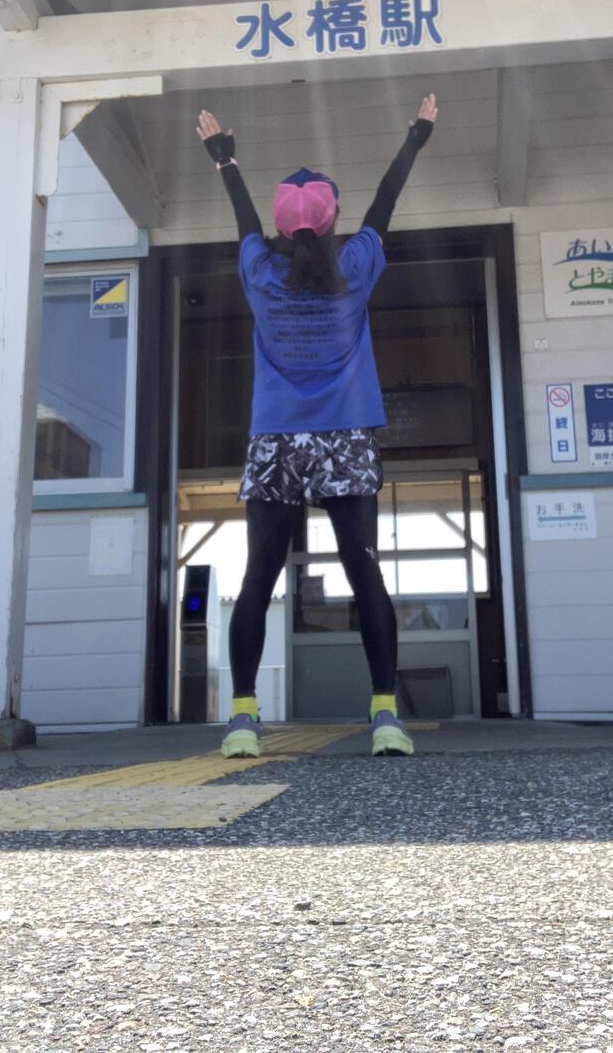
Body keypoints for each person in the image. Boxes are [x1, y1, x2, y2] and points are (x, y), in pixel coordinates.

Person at [195, 93, 438, 758]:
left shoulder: (258, 271)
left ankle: (243, 719)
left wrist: (227, 162)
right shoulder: (354, 269)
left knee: (257, 577)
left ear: (281, 225)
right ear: (331, 223)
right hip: (344, 433)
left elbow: (242, 219)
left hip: (276, 437)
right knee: (365, 571)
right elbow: (386, 203)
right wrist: (415, 137)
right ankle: (385, 715)